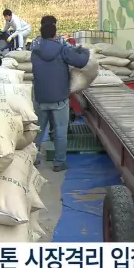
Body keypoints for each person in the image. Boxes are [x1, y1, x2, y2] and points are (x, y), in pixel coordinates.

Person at [32, 23, 90, 172]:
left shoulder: (35, 51)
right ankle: (59, 162)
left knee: (37, 130)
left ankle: (32, 159)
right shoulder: (62, 49)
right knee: (60, 131)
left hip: (40, 97)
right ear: (55, 34)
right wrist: (84, 50)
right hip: (59, 98)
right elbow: (81, 62)